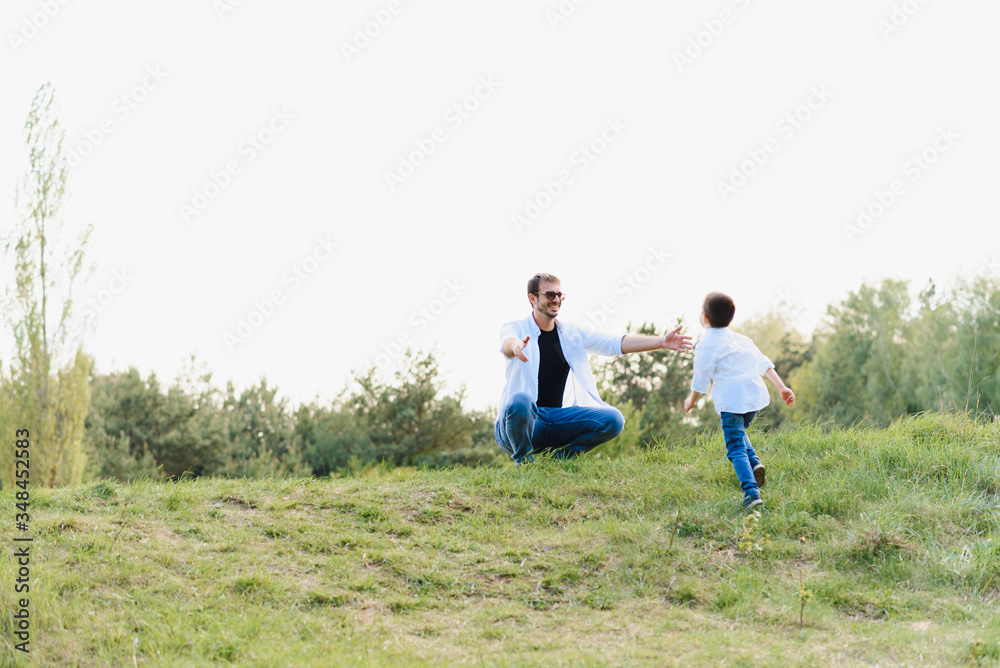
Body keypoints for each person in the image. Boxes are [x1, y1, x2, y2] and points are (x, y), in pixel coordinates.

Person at [495, 272, 692, 464]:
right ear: (532, 298)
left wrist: (661, 342)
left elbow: (613, 343)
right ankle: (524, 461)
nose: (556, 299)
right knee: (520, 400)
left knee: (614, 420)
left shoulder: (571, 333)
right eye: (549, 295)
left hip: (554, 421)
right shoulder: (517, 327)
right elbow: (507, 343)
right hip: (517, 425)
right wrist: (516, 346)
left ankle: (559, 460)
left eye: (559, 295)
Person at [683, 291, 795, 510]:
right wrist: (781, 387)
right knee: (739, 432)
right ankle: (754, 463)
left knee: (734, 447)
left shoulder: (706, 345)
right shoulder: (742, 340)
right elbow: (764, 364)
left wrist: (692, 400)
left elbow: (701, 379)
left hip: (732, 403)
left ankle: (752, 494)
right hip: (753, 400)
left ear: (704, 318)